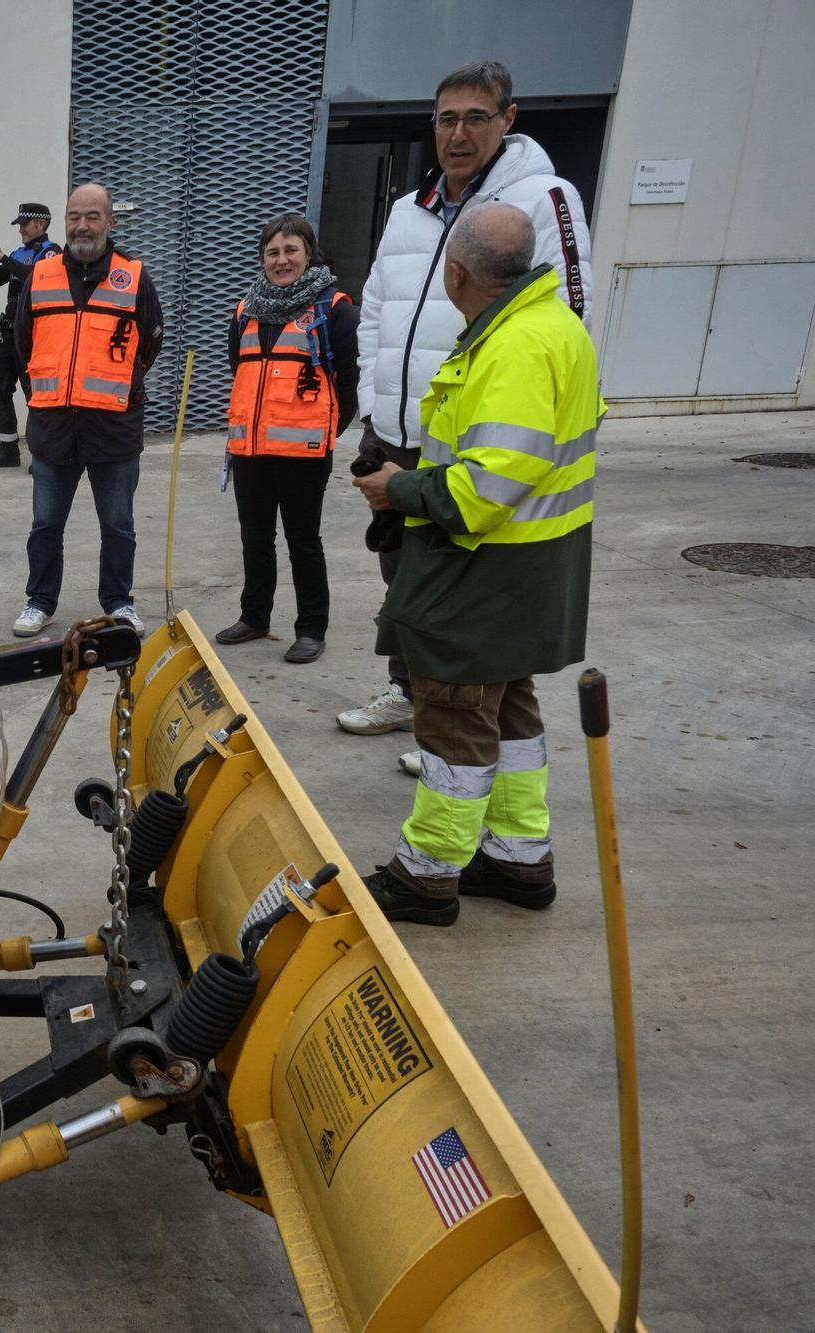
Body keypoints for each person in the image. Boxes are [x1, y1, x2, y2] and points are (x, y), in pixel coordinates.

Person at [352, 203, 601, 927]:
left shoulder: (515, 346)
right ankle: (521, 859)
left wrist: (395, 487)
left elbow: (485, 486)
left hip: (485, 566)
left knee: (455, 715)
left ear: (457, 272)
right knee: (511, 709)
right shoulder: (556, 326)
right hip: (534, 563)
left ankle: (428, 873)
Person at [339, 59, 593, 748]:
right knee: (410, 588)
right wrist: (373, 403)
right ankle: (411, 690)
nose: (458, 133)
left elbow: (568, 319)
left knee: (469, 599)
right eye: (447, 118)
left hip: (476, 437)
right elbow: (376, 313)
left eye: (476, 117)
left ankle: (462, 723)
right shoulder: (407, 209)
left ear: (507, 120)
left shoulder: (541, 201)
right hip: (397, 431)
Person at [10, 181, 163, 638]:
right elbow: (23, 343)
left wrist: (114, 386)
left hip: (112, 428)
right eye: (74, 216)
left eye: (92, 216)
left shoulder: (133, 277)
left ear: (110, 222)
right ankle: (40, 601)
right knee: (45, 525)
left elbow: (150, 341)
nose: (82, 225)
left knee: (118, 526)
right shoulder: (42, 275)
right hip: (54, 426)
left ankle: (119, 603)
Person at [215, 214, 359, 665]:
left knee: (303, 542)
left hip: (304, 455)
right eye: (272, 252)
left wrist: (322, 433)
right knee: (254, 539)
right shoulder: (245, 311)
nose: (281, 260)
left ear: (308, 253)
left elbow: (350, 384)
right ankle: (254, 617)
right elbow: (241, 373)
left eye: (290, 250)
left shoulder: (333, 309)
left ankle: (311, 628)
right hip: (251, 452)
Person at [0, 203, 61, 470]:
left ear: (40, 224)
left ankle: (41, 456)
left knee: (34, 398)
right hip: (9, 334)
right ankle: (9, 451)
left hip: (33, 338)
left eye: (24, 224)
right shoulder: (18, 253)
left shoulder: (52, 253)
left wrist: (2, 256)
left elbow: (35, 279)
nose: (21, 229)